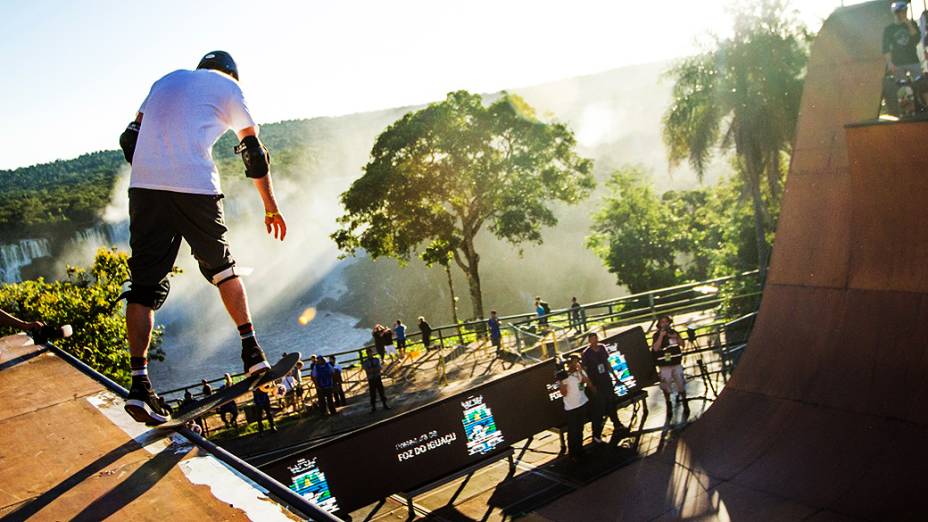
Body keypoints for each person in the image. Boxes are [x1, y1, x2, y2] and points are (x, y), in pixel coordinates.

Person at [118, 51, 287, 425]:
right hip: (194, 185)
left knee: (143, 288)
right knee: (223, 268)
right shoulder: (228, 86)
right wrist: (270, 207)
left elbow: (130, 137)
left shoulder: (165, 80)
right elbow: (253, 153)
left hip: (144, 187)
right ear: (231, 73)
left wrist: (156, 170)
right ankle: (252, 352)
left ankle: (139, 385)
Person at [581, 332, 629, 444]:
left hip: (606, 379)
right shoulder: (586, 353)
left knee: (611, 401)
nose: (594, 341)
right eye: (592, 339)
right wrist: (591, 385)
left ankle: (616, 423)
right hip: (596, 381)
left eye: (595, 338)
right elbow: (585, 369)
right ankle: (596, 434)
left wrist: (615, 376)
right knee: (600, 406)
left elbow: (607, 363)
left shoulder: (602, 348)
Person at [883, 2, 926, 115]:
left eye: (904, 11)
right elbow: (885, 48)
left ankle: (923, 105)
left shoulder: (912, 24)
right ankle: (908, 110)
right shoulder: (889, 29)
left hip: (912, 59)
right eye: (899, 12)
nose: (902, 14)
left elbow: (916, 39)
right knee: (903, 88)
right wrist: (890, 63)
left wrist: (908, 24)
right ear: (895, 14)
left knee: (921, 83)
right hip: (898, 62)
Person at [651, 315, 689, 414]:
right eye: (662, 322)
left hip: (676, 363)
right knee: (666, 385)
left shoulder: (674, 332)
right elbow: (655, 348)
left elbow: (682, 344)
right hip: (664, 366)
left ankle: (685, 403)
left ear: (669, 323)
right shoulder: (656, 335)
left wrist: (676, 337)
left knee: (681, 383)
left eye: (666, 322)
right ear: (659, 324)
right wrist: (661, 336)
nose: (664, 324)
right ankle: (668, 404)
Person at [558, 354, 592, 460]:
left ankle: (580, 449)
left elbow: (587, 384)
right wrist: (562, 383)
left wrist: (581, 371)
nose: (575, 364)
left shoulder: (579, 373)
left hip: (581, 403)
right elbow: (563, 393)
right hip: (571, 407)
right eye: (573, 362)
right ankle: (573, 453)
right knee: (573, 431)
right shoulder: (565, 376)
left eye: (577, 362)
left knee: (580, 429)